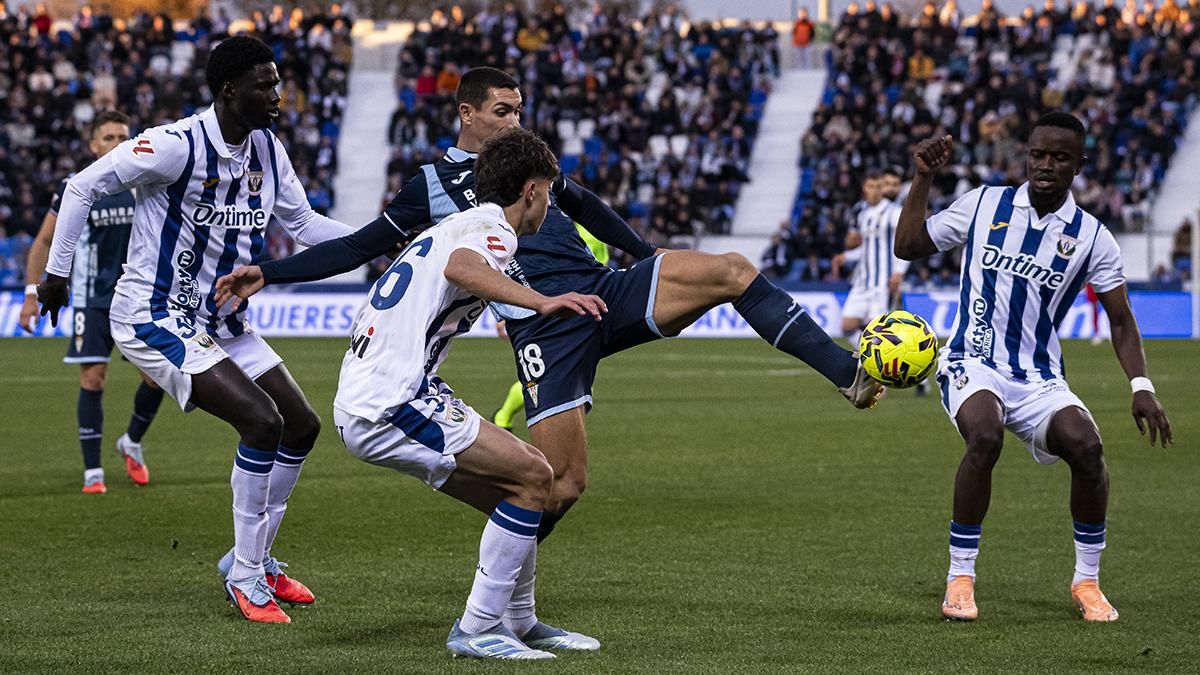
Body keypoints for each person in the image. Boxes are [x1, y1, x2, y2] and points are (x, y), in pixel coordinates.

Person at [216, 65, 880, 553]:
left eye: (519, 108)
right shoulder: (433, 186)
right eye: (502, 110)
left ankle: (847, 373)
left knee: (732, 270)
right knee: (559, 486)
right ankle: (505, 578)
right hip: (546, 330)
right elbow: (362, 245)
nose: (514, 119)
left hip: (602, 291)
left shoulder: (533, 167)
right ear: (467, 115)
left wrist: (647, 259)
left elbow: (587, 206)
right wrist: (268, 272)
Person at [37, 36, 357, 624]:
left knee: (302, 425)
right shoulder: (172, 146)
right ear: (229, 90)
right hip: (153, 315)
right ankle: (245, 576)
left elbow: (305, 224)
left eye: (277, 81)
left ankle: (253, 557)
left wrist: (382, 237)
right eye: (265, 83)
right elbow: (81, 186)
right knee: (262, 421)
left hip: (223, 320)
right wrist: (56, 275)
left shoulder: (267, 148)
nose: (278, 95)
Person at [332, 127, 604, 659]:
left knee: (522, 489)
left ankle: (519, 621)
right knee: (534, 475)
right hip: (392, 399)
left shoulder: (459, 223)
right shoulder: (496, 229)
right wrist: (542, 301)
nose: (549, 205)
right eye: (548, 193)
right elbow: (463, 269)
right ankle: (477, 628)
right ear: (532, 191)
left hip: (383, 390)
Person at [894, 113, 1173, 623]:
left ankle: (1086, 582)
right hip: (971, 360)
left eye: (1060, 158)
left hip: (1039, 375)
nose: (1046, 165)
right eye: (1038, 154)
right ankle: (961, 577)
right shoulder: (984, 205)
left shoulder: (1092, 237)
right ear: (1027, 155)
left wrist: (1141, 384)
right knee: (984, 435)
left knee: (1088, 447)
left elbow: (1121, 319)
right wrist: (922, 178)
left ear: (1079, 165)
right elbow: (907, 245)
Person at [20, 110, 165, 494]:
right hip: (90, 298)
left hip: (140, 297)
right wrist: (32, 295)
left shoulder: (148, 182)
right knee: (93, 378)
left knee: (157, 376)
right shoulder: (76, 186)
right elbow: (43, 242)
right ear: (92, 144)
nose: (118, 144)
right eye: (109, 138)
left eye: (124, 136)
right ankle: (92, 473)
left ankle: (131, 440)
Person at [493, 223, 609, 431]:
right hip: (546, 315)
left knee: (565, 376)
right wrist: (508, 315)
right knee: (547, 375)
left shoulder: (582, 232)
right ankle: (504, 418)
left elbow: (600, 272)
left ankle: (504, 417)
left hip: (578, 313)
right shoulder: (548, 231)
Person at [840, 169, 906, 341]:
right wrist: (847, 255)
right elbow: (864, 247)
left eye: (878, 186)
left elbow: (903, 243)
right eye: (871, 186)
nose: (875, 190)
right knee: (847, 325)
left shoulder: (894, 212)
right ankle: (866, 357)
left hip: (883, 282)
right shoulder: (862, 213)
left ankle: (877, 363)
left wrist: (899, 272)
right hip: (863, 281)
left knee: (878, 330)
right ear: (864, 188)